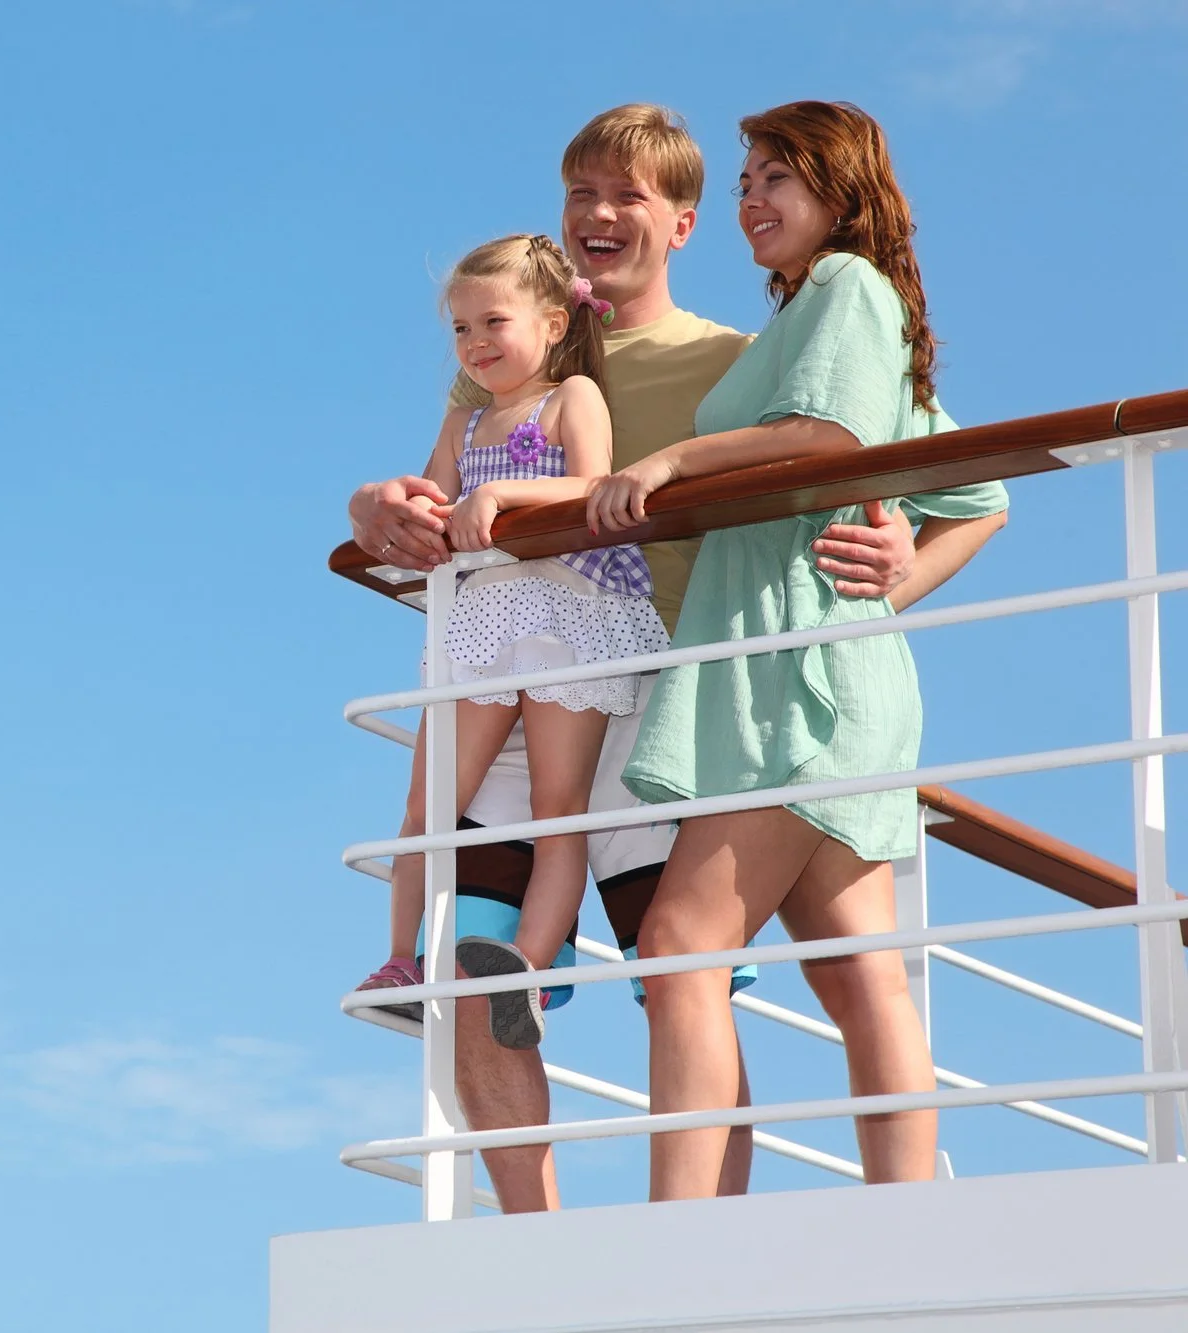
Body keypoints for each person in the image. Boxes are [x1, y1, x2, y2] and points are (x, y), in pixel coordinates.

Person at [347, 104, 1007, 1213]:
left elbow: (923, 462)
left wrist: (894, 550)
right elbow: (436, 482)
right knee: (471, 966)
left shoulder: (752, 349)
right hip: (510, 682)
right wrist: (374, 502)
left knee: (675, 972)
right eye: (579, 195)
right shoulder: (503, 347)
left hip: (669, 689)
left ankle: (703, 1229)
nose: (598, 215)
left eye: (627, 197)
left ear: (680, 223)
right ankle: (537, 1238)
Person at [589, 100, 1010, 1200]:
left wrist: (675, 459)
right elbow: (972, 495)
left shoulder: (843, 291)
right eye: (743, 182)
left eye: (775, 177)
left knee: (681, 940)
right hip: (809, 666)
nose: (750, 200)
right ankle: (904, 1209)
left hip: (792, 672)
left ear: (840, 192)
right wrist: (892, 582)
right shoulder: (836, 317)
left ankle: (681, 1227)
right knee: (853, 968)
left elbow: (835, 441)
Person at [355, 233, 671, 1052]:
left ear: (555, 322)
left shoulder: (571, 399)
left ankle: (526, 968)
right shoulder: (463, 418)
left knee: (558, 809)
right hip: (483, 621)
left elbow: (591, 483)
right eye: (460, 329)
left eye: (492, 320)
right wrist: (408, 506)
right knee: (432, 804)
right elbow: (434, 498)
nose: (476, 343)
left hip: (567, 612)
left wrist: (499, 490)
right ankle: (401, 961)